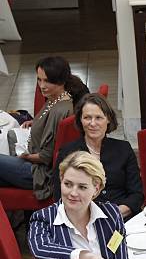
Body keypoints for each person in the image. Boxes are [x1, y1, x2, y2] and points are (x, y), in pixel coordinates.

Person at [0, 56, 88, 200]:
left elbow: (46, 157)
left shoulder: (61, 110)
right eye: (39, 80)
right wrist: (36, 122)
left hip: (39, 173)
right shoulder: (55, 99)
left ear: (61, 80)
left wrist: (24, 156)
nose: (42, 85)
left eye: (47, 80)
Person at [53, 94, 144, 220]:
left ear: (108, 120)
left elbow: (137, 194)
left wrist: (116, 213)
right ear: (80, 120)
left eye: (98, 118)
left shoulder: (123, 149)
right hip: (84, 222)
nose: (92, 123)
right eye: (87, 117)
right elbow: (60, 197)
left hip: (123, 217)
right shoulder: (67, 153)